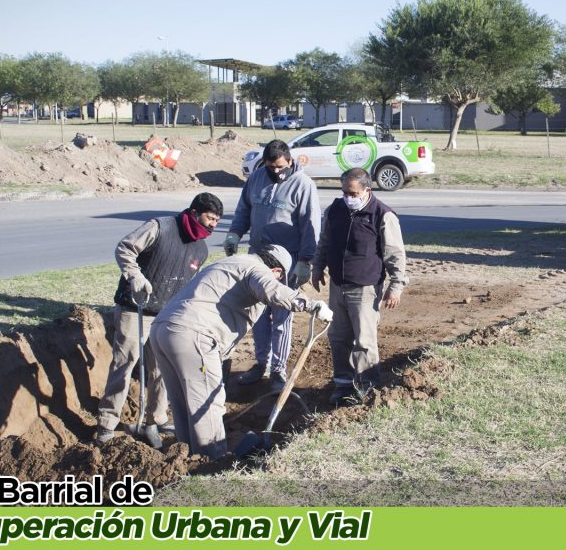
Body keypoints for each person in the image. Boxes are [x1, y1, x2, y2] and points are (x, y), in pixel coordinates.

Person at [149, 245, 332, 459]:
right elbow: (271, 290)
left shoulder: (230, 263)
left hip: (162, 330)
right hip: (194, 335)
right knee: (208, 405)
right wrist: (311, 305)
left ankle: (186, 458)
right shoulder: (257, 270)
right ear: (277, 272)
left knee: (182, 404)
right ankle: (210, 463)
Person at [96, 192, 223, 447]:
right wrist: (135, 277)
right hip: (136, 307)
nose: (213, 225)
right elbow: (125, 247)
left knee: (162, 369)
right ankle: (107, 424)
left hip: (167, 315)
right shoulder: (160, 227)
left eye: (217, 221)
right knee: (125, 362)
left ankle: (155, 418)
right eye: (210, 218)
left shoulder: (201, 248)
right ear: (195, 213)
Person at [224, 139, 320, 393]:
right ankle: (261, 363)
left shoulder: (303, 185)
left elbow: (311, 225)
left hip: (287, 261)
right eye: (270, 167)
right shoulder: (256, 178)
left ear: (289, 160)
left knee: (281, 313)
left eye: (279, 166)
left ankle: (278, 369)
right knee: (257, 312)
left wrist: (305, 261)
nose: (275, 171)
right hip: (257, 256)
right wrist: (234, 233)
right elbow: (244, 209)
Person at [312, 167, 407, 406]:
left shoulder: (382, 215)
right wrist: (317, 267)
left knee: (364, 341)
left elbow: (395, 254)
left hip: (365, 289)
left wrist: (396, 285)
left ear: (367, 190)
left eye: (353, 193)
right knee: (338, 337)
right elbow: (325, 241)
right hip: (337, 286)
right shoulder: (335, 210)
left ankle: (367, 387)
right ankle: (343, 384)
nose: (348, 197)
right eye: (345, 192)